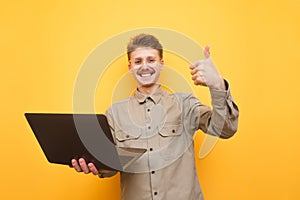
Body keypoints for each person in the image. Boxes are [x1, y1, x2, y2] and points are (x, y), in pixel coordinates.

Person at [71, 33, 239, 200]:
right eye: (138, 61)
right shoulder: (114, 114)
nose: (145, 66)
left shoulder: (185, 104)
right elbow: (112, 166)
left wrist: (217, 86)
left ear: (161, 64)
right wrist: (97, 166)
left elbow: (225, 129)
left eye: (151, 60)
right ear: (130, 67)